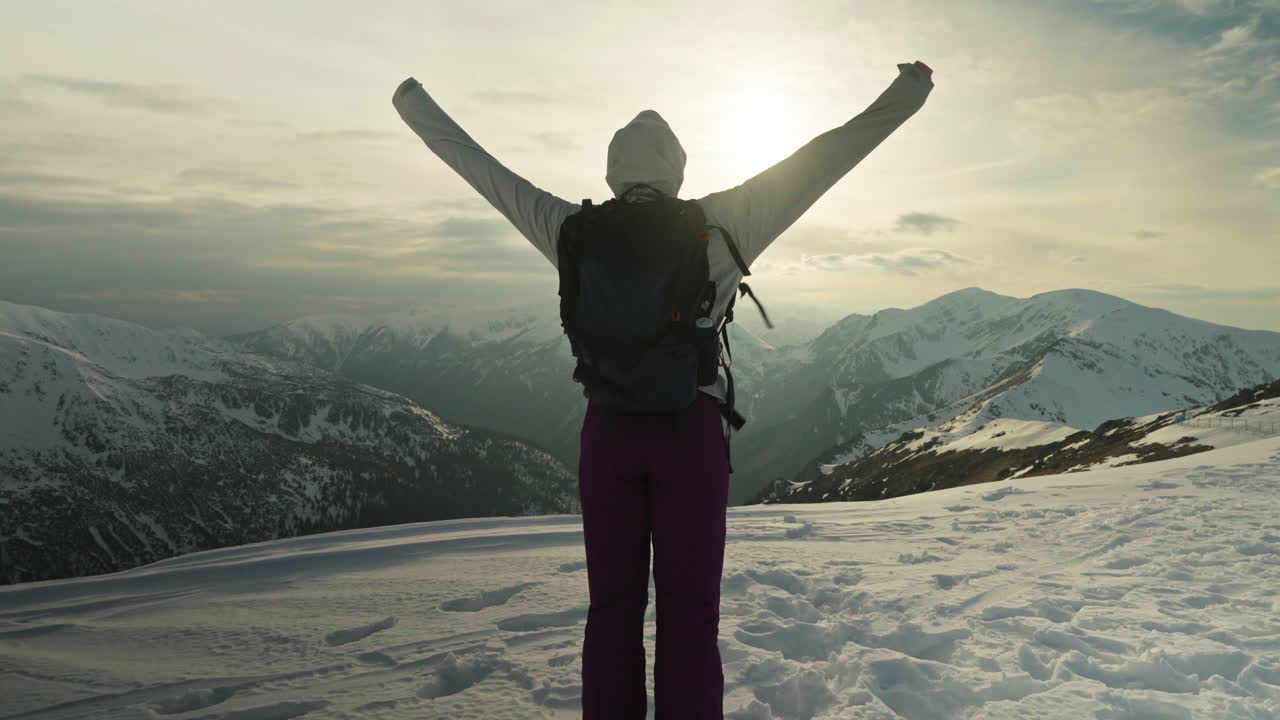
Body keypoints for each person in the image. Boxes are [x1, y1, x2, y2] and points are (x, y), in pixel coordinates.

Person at [393, 60, 934, 720]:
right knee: (690, 613)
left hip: (608, 437)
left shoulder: (569, 231)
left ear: (612, 174)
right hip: (691, 436)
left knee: (612, 611)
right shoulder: (724, 223)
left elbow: (482, 170)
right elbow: (826, 158)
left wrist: (412, 103)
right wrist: (908, 92)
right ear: (677, 170)